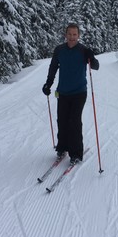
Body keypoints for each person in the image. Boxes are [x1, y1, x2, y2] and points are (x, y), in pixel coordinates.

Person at [42, 23, 99, 165]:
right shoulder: (59, 50)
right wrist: (48, 84)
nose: (72, 37)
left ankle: (76, 153)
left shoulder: (83, 50)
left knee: (74, 122)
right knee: (62, 121)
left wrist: (91, 56)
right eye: (70, 34)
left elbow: (96, 66)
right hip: (63, 92)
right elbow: (53, 67)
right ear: (65, 35)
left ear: (78, 36)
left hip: (79, 92)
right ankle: (62, 147)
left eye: (75, 34)